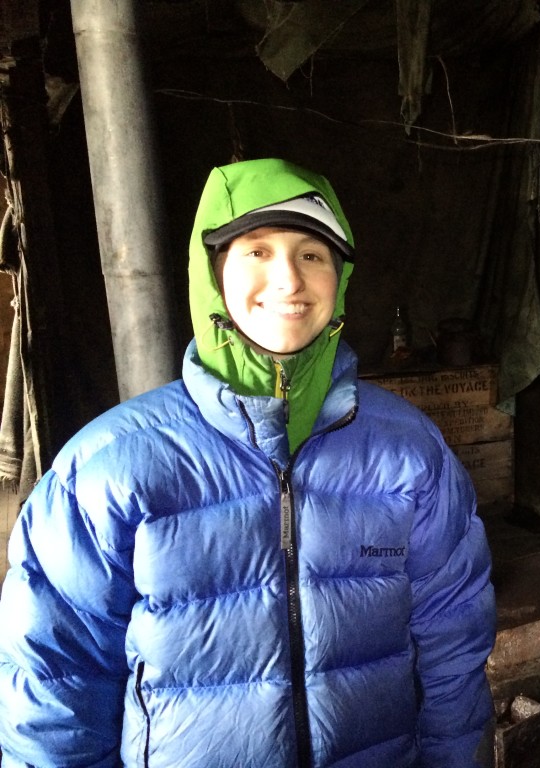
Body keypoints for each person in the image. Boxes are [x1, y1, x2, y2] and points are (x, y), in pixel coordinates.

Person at [0, 157, 497, 767]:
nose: (289, 280)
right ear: (212, 275)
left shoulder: (409, 453)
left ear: (340, 279)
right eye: (256, 251)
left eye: (312, 254)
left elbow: (454, 642)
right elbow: (55, 683)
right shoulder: (109, 469)